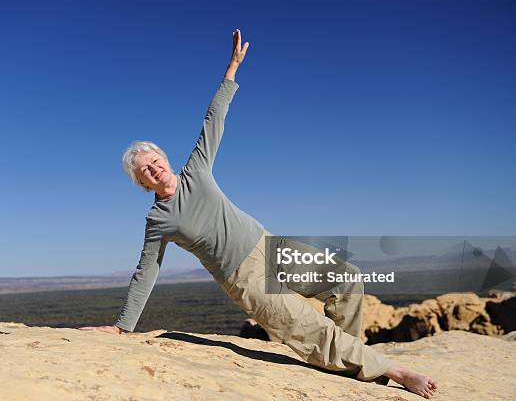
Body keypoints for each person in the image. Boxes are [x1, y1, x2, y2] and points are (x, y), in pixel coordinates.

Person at [80, 29, 439, 399]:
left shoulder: (196, 172)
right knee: (310, 326)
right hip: (243, 278)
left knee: (347, 278)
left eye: (155, 162)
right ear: (142, 183)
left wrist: (231, 69)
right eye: (145, 172)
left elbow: (213, 121)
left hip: (269, 246)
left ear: (165, 159)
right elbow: (147, 271)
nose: (153, 170)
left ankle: (353, 362)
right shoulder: (158, 220)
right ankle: (394, 370)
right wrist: (123, 327)